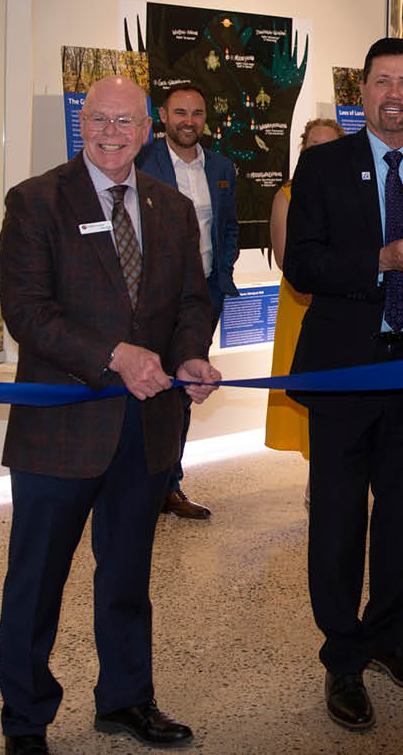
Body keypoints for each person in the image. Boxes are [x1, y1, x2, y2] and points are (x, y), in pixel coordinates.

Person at [0, 75, 221, 754]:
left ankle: (126, 699)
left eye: (126, 123)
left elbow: (190, 303)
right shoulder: (36, 202)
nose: (113, 133)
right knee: (36, 582)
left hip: (144, 429)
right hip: (59, 428)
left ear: (146, 130)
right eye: (100, 120)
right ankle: (25, 720)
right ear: (81, 123)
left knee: (126, 577)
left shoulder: (172, 208)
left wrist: (187, 357)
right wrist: (113, 355)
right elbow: (28, 314)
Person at [282, 38, 403, 733]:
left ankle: (390, 636)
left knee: (401, 514)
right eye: (382, 81)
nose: (394, 93)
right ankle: (342, 656)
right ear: (362, 91)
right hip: (342, 373)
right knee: (337, 519)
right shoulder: (321, 166)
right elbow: (302, 264)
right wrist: (379, 261)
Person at [135, 81, 239, 521]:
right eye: (180, 112)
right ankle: (135, 486)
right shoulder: (141, 163)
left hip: (203, 299)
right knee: (144, 389)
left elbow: (229, 228)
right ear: (162, 117)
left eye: (196, 113)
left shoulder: (222, 167)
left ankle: (169, 486)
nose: (188, 121)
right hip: (151, 301)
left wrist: (223, 273)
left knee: (184, 390)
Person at [264, 116, 346, 475]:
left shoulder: (356, 191)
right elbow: (287, 260)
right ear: (303, 151)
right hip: (304, 305)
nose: (322, 153)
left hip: (347, 308)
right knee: (311, 394)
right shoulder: (287, 196)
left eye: (329, 145)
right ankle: (318, 479)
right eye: (314, 146)